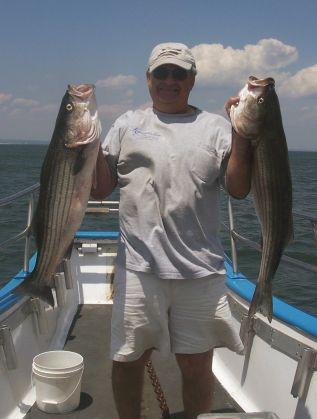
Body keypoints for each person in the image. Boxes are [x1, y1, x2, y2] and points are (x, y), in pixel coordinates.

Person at [91, 42, 252, 419]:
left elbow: (240, 188)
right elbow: (99, 187)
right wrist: (86, 148)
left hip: (200, 270)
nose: (169, 81)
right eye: (161, 73)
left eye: (179, 73)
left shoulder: (216, 128)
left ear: (192, 80)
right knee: (128, 361)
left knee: (197, 365)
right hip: (138, 269)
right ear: (148, 79)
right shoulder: (127, 124)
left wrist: (242, 132)